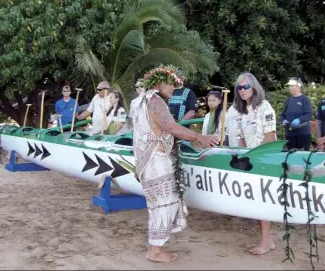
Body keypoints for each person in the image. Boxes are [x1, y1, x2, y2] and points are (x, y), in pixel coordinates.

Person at [130, 64, 219, 263]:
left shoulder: (138, 102)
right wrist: (198, 137)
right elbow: (170, 126)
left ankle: (154, 248)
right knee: (164, 205)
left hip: (146, 162)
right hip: (156, 161)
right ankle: (155, 252)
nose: (174, 89)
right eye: (171, 84)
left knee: (157, 206)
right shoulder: (156, 101)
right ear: (159, 83)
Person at [226, 72, 277, 255]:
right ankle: (267, 240)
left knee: (262, 202)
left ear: (254, 87)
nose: (242, 90)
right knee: (255, 203)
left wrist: (255, 158)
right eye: (239, 87)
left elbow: (270, 137)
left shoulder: (265, 107)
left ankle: (264, 242)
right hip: (249, 163)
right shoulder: (241, 111)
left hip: (263, 160)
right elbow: (241, 140)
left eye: (246, 86)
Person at [280, 77, 312, 150]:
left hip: (303, 133)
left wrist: (299, 120)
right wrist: (283, 121)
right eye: (289, 86)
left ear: (298, 86)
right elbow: (282, 115)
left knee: (303, 156)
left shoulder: (305, 100)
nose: (290, 88)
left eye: (292, 86)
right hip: (290, 134)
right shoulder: (287, 101)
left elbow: (308, 114)